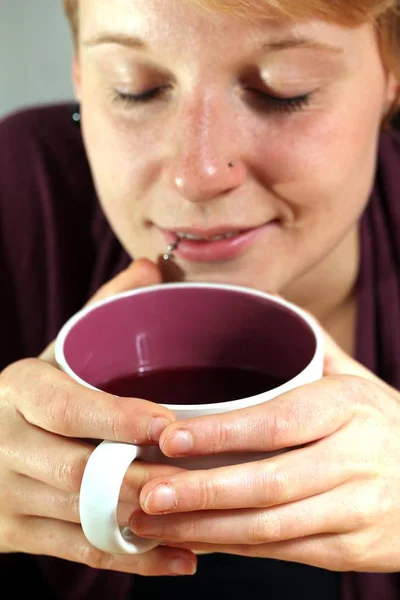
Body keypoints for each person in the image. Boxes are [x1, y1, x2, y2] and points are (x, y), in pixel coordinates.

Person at [0, 0, 399, 598]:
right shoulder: (19, 187)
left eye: (283, 92)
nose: (198, 173)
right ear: (81, 74)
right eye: (135, 90)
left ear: (392, 77)